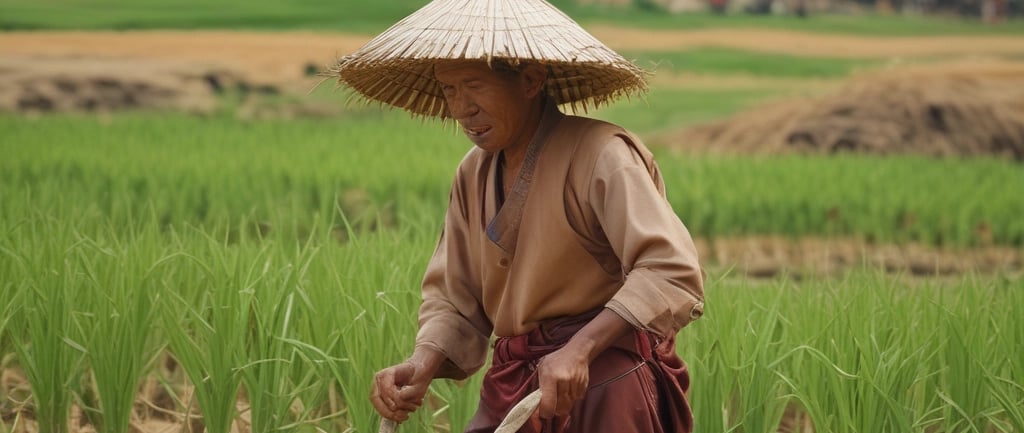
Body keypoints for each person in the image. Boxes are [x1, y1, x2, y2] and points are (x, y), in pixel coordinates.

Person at [329, 1, 705, 432]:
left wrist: (579, 350)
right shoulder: (473, 172)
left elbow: (669, 270)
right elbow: (456, 297)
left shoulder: (602, 156)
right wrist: (422, 361)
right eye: (449, 90)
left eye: (474, 85)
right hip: (513, 380)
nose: (460, 108)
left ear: (530, 80)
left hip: (602, 379)